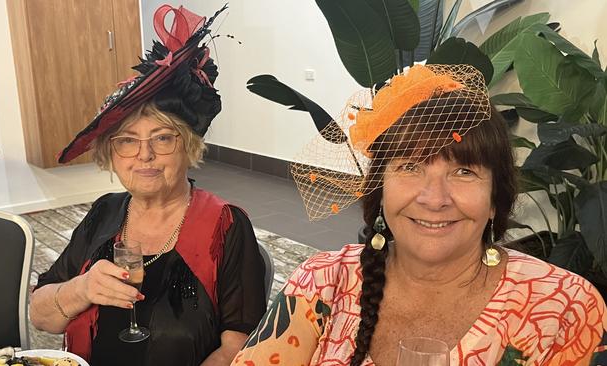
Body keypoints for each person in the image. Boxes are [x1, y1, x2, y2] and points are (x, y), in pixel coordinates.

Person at [231, 64, 607, 365]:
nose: (434, 198)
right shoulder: (321, 283)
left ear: (496, 197)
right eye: (410, 167)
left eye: (464, 171)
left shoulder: (562, 306)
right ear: (380, 188)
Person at [30, 4, 267, 365]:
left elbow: (240, 347)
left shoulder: (226, 225)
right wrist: (82, 288)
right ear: (111, 154)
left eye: (162, 139)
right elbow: (41, 315)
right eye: (127, 141)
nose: (144, 156)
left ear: (188, 148)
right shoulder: (104, 212)